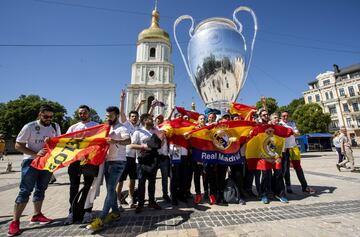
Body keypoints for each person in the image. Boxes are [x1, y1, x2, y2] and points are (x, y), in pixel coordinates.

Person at [8, 105, 61, 236]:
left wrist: (51, 144)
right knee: (25, 191)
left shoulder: (55, 127)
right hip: (30, 162)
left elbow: (58, 143)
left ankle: (37, 215)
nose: (48, 119)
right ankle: (15, 222)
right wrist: (35, 153)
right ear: (39, 115)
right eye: (46, 116)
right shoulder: (29, 126)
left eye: (50, 116)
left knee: (41, 189)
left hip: (46, 163)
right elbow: (18, 145)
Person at [86, 106, 131, 231]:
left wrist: (115, 141)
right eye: (107, 116)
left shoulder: (122, 128)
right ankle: (115, 213)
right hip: (107, 162)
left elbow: (128, 140)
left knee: (111, 189)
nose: (108, 118)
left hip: (118, 162)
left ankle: (101, 218)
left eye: (110, 116)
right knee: (110, 190)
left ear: (116, 115)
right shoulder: (106, 127)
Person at [64, 105, 99, 225]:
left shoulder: (96, 126)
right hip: (76, 161)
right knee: (73, 187)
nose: (82, 115)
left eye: (84, 113)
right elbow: (65, 141)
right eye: (80, 113)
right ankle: (72, 212)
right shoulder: (74, 127)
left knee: (88, 187)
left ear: (89, 113)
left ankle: (87, 211)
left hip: (90, 161)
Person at [130, 113, 162, 213]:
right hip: (141, 161)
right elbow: (132, 145)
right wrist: (144, 147)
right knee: (141, 183)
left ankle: (151, 202)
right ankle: (140, 203)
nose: (152, 120)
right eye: (149, 118)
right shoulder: (138, 132)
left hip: (153, 160)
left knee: (152, 182)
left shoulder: (154, 131)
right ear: (144, 120)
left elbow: (159, 143)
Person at [279, 111, 315, 194]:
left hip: (294, 147)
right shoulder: (279, 124)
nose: (285, 117)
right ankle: (288, 186)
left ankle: (304, 186)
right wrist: (291, 133)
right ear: (281, 117)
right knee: (286, 169)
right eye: (284, 116)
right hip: (285, 148)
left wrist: (291, 133)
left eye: (287, 116)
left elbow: (297, 133)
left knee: (298, 167)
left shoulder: (292, 123)